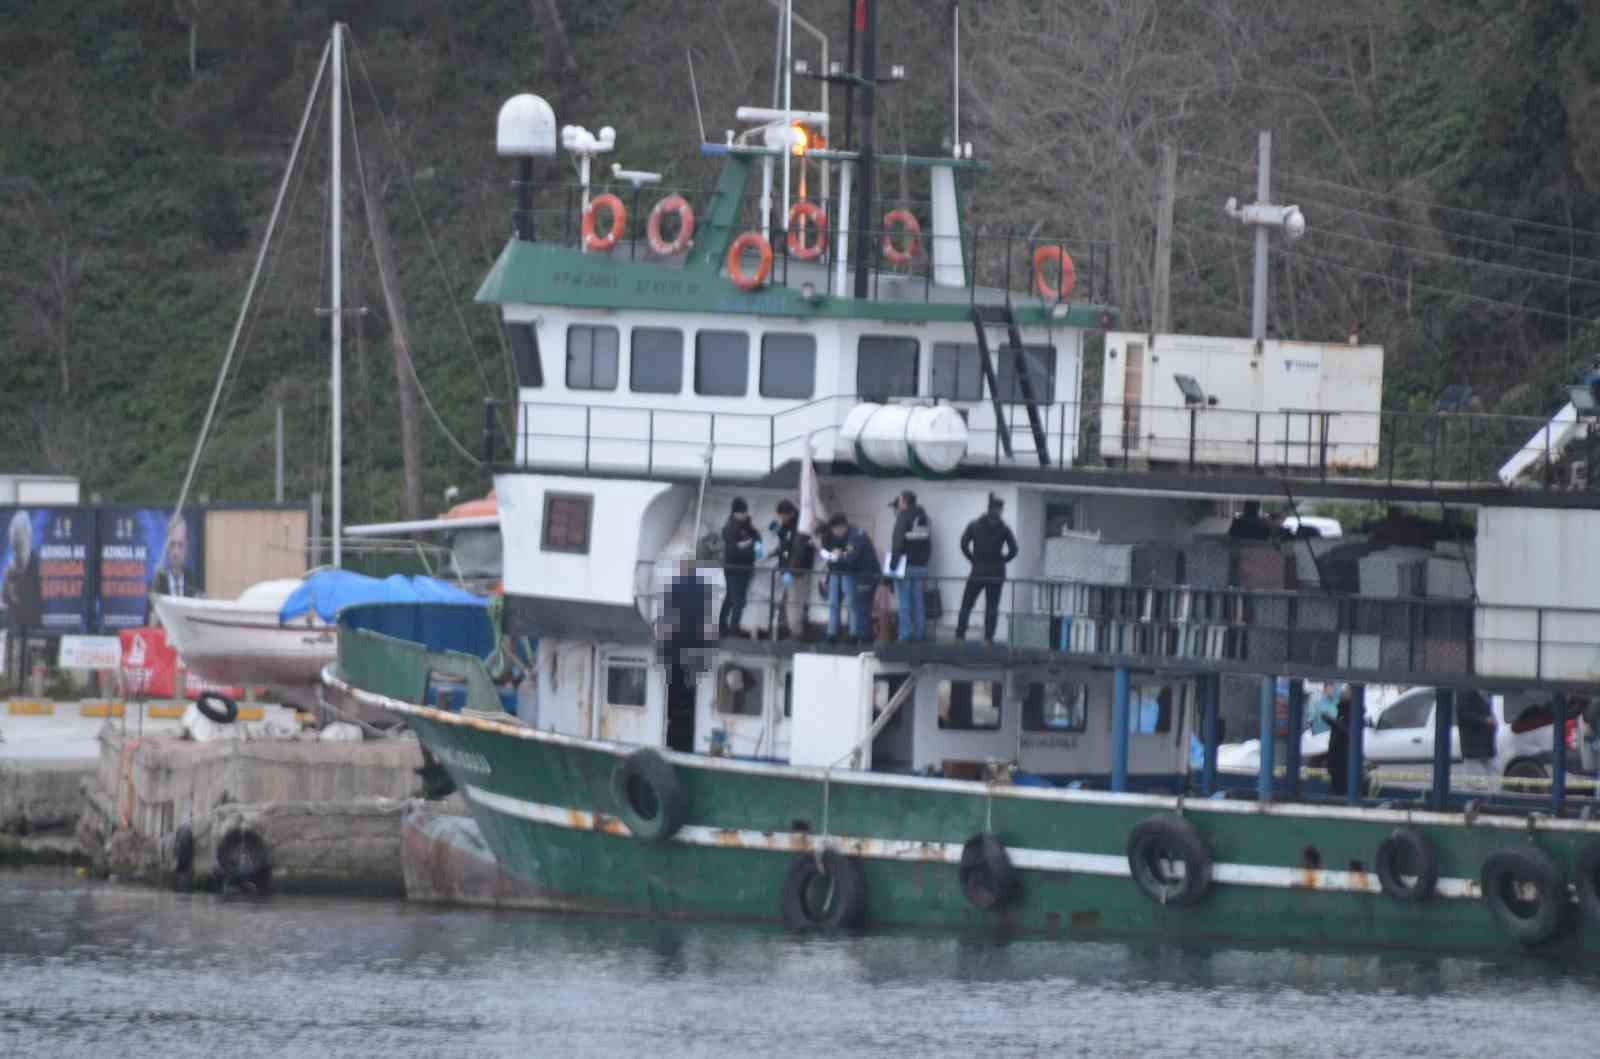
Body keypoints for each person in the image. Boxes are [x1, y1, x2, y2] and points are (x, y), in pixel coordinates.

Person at [660, 559, 712, 753]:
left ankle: (676, 708)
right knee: (690, 681)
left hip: (677, 641)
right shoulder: (700, 587)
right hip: (694, 641)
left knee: (675, 680)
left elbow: (669, 609)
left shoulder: (675, 586)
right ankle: (686, 704)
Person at [956, 494, 1018, 644]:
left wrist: (973, 560)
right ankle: (988, 638)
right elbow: (1014, 550)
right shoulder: (1004, 528)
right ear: (997, 509)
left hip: (978, 571)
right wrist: (1002, 560)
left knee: (967, 603)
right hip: (996, 573)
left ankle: (960, 635)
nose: (1001, 512)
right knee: (992, 607)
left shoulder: (974, 524)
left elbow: (963, 544)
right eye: (1000, 509)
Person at [822, 512, 878, 644]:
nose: (835, 533)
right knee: (834, 603)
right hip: (838, 571)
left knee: (854, 604)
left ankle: (855, 635)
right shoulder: (833, 536)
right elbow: (831, 553)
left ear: (842, 527)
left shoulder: (856, 535)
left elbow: (851, 557)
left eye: (836, 530)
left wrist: (839, 555)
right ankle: (832, 633)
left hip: (856, 574)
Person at [888, 490, 932, 642]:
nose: (898, 504)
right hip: (921, 566)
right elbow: (928, 544)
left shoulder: (904, 517)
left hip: (905, 566)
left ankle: (904, 635)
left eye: (899, 501)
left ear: (904, 501)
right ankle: (920, 634)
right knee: (919, 602)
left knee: (904, 603)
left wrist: (892, 567)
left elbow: (898, 543)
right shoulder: (924, 518)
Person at [772, 499, 815, 640]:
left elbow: (798, 551)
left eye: (783, 516)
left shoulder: (798, 527)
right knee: (791, 601)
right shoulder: (790, 525)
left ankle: (796, 633)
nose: (781, 519)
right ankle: (792, 629)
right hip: (790, 568)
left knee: (793, 602)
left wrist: (790, 571)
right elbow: (786, 544)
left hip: (795, 571)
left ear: (789, 513)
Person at [718, 497, 759, 637]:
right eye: (743, 512)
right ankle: (732, 632)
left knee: (730, 598)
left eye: (746, 512)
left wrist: (750, 543)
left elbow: (756, 536)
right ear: (736, 513)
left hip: (745, 569)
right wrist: (746, 545)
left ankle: (722, 626)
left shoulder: (746, 525)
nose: (745, 514)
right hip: (734, 570)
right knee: (738, 602)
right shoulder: (730, 528)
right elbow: (732, 551)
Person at [2, 511, 42, 632]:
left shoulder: (34, 563)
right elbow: (6, 599)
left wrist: (11, 593)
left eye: (18, 533)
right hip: (14, 627)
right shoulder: (12, 567)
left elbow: (26, 600)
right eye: (13, 532)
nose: (14, 536)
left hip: (30, 626)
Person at [1327, 684, 1353, 797]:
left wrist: (1334, 723)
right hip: (1336, 761)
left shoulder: (1352, 713)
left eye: (1346, 692)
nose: (1343, 693)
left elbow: (1348, 732)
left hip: (1343, 762)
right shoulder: (1341, 712)